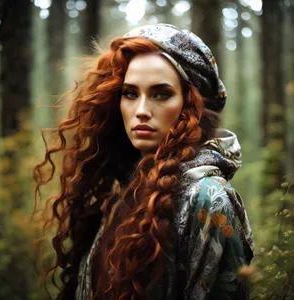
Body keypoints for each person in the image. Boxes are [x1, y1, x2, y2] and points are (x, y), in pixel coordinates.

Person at [34, 23, 254, 300]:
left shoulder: (210, 199)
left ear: (193, 106)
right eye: (130, 93)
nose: (141, 110)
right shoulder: (122, 189)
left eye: (161, 94)